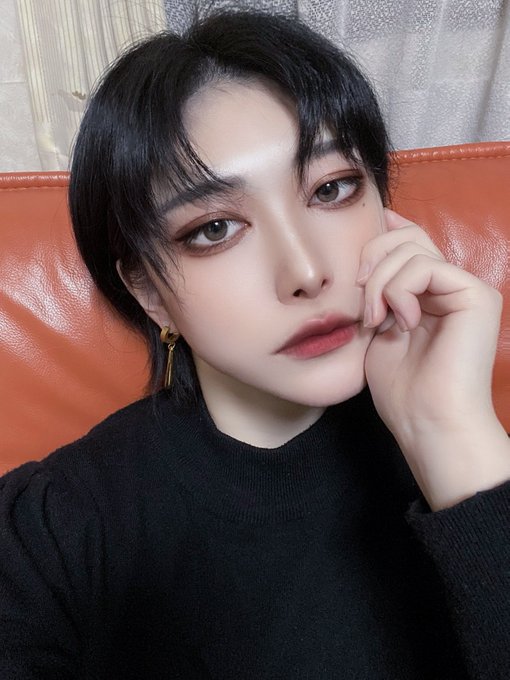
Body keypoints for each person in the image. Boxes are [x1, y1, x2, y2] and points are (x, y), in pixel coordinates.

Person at [1, 9, 509, 679]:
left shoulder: (471, 451)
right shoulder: (54, 530)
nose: (306, 271)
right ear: (149, 291)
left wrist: (448, 434)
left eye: (332, 188)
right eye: (214, 229)